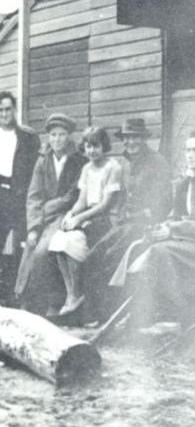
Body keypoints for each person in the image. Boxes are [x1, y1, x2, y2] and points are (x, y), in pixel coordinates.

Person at [110, 129, 195, 329]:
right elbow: (174, 216)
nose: (190, 155)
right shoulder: (184, 183)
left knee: (160, 251)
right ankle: (142, 309)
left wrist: (174, 229)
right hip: (188, 244)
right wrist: (162, 227)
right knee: (138, 245)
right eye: (187, 150)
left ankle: (179, 310)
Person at [83, 117, 172, 322]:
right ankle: (96, 314)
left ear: (143, 139)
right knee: (93, 257)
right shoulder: (125, 163)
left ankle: (112, 316)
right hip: (124, 224)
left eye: (135, 137)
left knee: (111, 258)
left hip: (145, 225)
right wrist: (120, 216)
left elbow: (164, 204)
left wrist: (143, 218)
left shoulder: (158, 163)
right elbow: (122, 196)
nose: (130, 142)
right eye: (127, 138)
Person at [16, 113, 86, 315]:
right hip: (43, 217)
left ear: (69, 136)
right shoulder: (43, 160)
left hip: (65, 215)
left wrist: (47, 208)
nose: (57, 139)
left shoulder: (78, 161)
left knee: (43, 251)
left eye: (62, 135)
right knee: (31, 242)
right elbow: (34, 195)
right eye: (53, 135)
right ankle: (26, 301)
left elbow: (73, 195)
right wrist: (34, 226)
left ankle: (51, 304)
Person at [49, 126, 121, 316]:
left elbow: (106, 205)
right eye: (88, 147)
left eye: (96, 146)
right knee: (59, 239)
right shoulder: (86, 168)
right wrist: (70, 215)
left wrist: (79, 218)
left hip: (107, 219)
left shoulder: (113, 167)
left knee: (72, 241)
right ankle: (72, 293)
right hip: (89, 215)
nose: (92, 151)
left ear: (104, 146)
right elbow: (82, 201)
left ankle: (77, 294)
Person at [0, 91, 40, 304]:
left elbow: (36, 168)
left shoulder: (27, 136)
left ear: (15, 109)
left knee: (18, 245)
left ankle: (16, 296)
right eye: (1, 110)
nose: (4, 114)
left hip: (19, 195)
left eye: (8, 109)